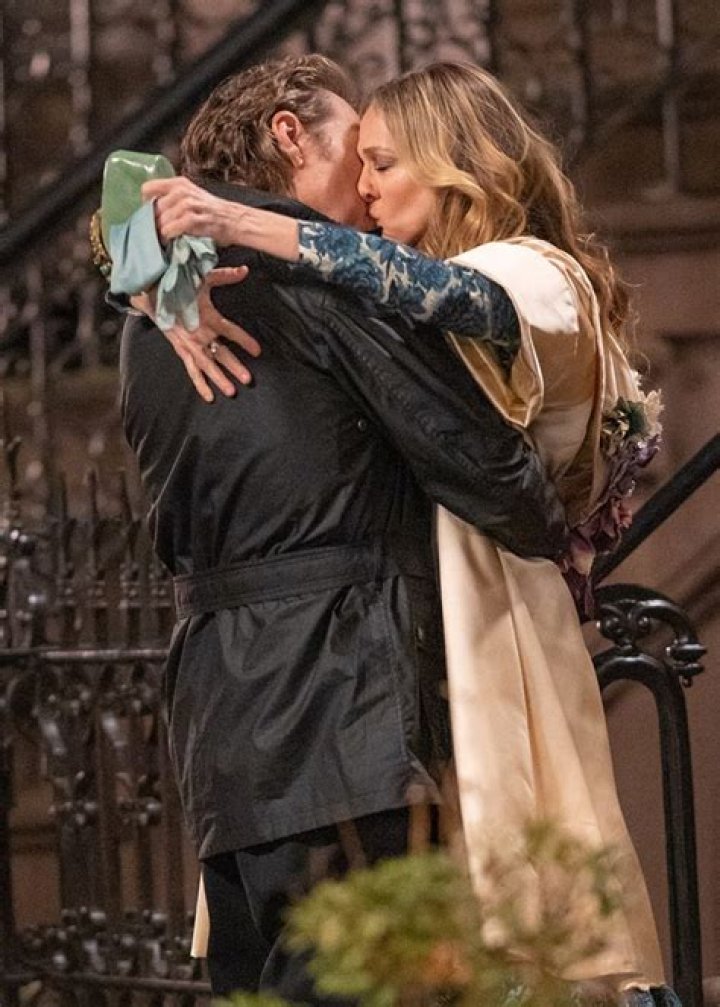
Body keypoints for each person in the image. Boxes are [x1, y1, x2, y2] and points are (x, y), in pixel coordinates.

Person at [144, 62, 673, 1002]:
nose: (368, 185)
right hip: (352, 685)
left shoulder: (517, 269)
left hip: (272, 697)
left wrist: (182, 241)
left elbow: (452, 297)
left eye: (385, 162)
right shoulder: (236, 283)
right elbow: (491, 473)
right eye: (363, 156)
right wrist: (146, 257)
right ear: (290, 136)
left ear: (453, 163)